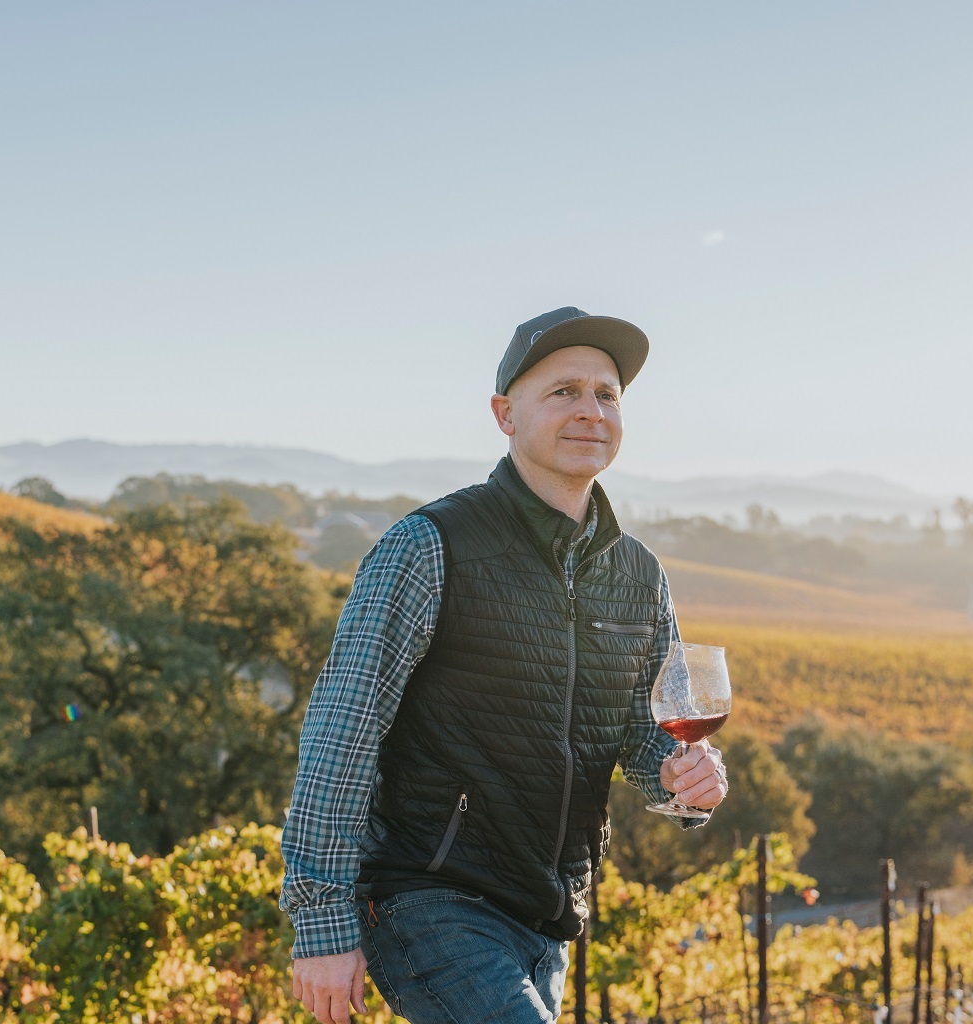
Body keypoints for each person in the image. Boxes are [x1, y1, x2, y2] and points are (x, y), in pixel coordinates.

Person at [280, 307, 730, 1024]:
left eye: (605, 394)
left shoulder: (639, 575)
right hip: (427, 897)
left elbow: (648, 738)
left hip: (547, 919)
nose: (589, 411)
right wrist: (322, 928)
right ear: (504, 414)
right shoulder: (430, 547)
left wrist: (687, 777)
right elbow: (341, 737)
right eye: (563, 392)